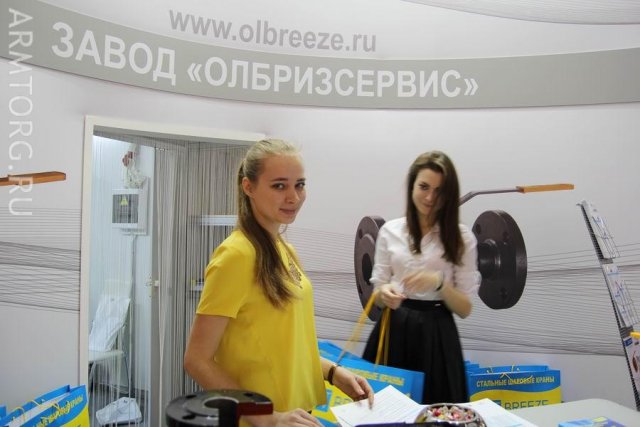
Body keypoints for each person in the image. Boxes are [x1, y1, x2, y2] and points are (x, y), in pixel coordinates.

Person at [184, 139, 373, 427]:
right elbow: (197, 360)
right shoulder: (236, 255)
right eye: (279, 186)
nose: (294, 197)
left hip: (296, 415)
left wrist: (333, 373)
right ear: (248, 187)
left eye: (300, 185)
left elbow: (288, 343)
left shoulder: (285, 250)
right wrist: (267, 417)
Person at [362, 150, 480, 404]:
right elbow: (378, 292)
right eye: (424, 187)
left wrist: (439, 283)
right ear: (412, 186)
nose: (429, 197)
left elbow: (465, 309)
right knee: (385, 409)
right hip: (394, 327)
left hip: (438, 333)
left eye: (439, 191)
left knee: (438, 410)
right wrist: (384, 294)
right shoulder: (390, 231)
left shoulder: (462, 238)